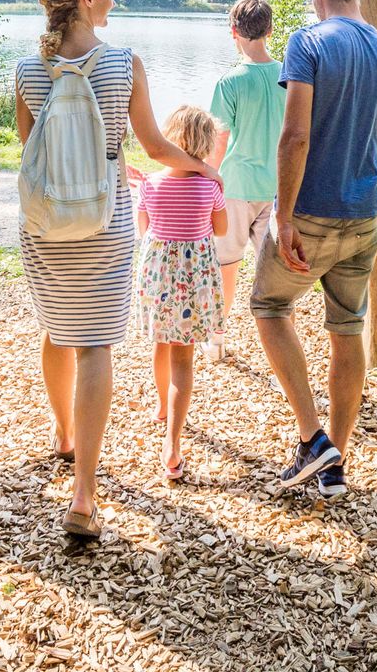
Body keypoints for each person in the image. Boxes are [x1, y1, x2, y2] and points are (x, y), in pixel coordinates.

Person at [14, 0, 220, 541]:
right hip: (104, 224)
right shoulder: (124, 64)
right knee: (95, 344)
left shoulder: (29, 69)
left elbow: (33, 153)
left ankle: (62, 433)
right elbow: (156, 147)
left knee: (57, 329)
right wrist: (205, 170)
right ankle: (83, 496)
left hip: (46, 225)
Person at [251, 0, 377, 499]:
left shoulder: (308, 43)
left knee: (269, 305)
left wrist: (284, 216)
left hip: (311, 214)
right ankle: (336, 464)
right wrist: (372, 201)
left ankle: (314, 439)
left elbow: (295, 135)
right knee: (347, 330)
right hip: (365, 216)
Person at [133, 106, 228, 482]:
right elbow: (220, 230)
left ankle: (161, 406)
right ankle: (172, 445)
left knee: (161, 342)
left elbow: (144, 229)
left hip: (159, 280)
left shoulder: (150, 185)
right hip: (194, 280)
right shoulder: (209, 187)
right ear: (204, 145)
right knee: (183, 362)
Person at [206, 0, 286, 362]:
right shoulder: (291, 76)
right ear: (270, 31)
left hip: (235, 187)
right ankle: (284, 345)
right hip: (277, 189)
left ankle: (217, 339)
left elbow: (218, 140)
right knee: (276, 275)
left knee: (226, 266)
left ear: (233, 32)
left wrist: (209, 181)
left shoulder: (230, 82)